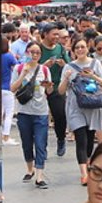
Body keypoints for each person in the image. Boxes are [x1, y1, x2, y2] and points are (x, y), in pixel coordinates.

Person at [60, 38, 102, 185]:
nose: (80, 50)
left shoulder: (96, 64)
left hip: (93, 107)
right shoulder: (69, 67)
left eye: (83, 47)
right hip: (75, 107)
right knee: (80, 139)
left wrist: (92, 76)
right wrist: (66, 79)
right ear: (73, 51)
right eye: (77, 48)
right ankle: (84, 174)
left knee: (89, 139)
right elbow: (61, 90)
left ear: (88, 48)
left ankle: (87, 163)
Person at [11, 42, 53, 189]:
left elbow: (49, 92)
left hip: (41, 111)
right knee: (27, 143)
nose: (34, 55)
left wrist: (49, 87)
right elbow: (12, 88)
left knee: (41, 144)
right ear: (27, 53)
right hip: (24, 112)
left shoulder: (45, 70)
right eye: (32, 52)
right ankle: (30, 168)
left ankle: (39, 176)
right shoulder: (19, 68)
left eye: (37, 53)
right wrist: (23, 74)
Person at [39, 24, 70, 158]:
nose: (56, 37)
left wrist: (64, 65)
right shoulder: (38, 48)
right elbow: (30, 65)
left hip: (57, 87)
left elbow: (69, 66)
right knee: (40, 119)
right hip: (40, 87)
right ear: (45, 34)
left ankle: (61, 139)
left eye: (58, 34)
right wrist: (43, 66)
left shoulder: (60, 49)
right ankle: (41, 147)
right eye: (54, 34)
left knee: (60, 115)